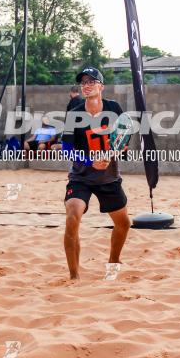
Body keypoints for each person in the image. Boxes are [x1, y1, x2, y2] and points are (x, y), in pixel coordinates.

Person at [62, 67, 131, 281]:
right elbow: (66, 149)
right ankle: (74, 276)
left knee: (124, 223)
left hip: (108, 177)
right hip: (81, 176)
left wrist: (112, 154)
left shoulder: (114, 108)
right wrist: (91, 161)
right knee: (73, 217)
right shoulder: (74, 113)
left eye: (92, 81)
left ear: (101, 86)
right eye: (83, 82)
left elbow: (124, 141)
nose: (87, 85)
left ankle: (113, 260)